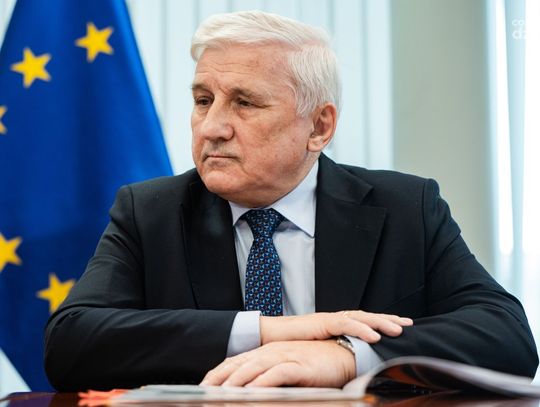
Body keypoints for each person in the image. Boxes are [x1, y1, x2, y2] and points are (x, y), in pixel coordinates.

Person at [44, 10, 538, 391]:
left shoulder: (406, 207)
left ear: (319, 126)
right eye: (203, 100)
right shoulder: (150, 212)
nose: (212, 127)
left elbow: (507, 336)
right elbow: (71, 344)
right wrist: (268, 333)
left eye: (244, 102)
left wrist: (346, 355)